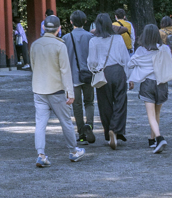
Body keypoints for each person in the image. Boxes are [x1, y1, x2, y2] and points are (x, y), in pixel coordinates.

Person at [29, 15, 88, 167]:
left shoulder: (35, 45)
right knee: (66, 121)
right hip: (57, 90)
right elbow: (65, 71)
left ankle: (41, 154)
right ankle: (73, 151)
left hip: (39, 90)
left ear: (43, 28)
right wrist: (70, 92)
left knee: (40, 123)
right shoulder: (59, 45)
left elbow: (33, 67)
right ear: (59, 29)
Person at [127, 26, 172, 153]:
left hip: (147, 83)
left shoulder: (141, 51)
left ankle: (159, 138)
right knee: (157, 113)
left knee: (150, 115)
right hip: (162, 82)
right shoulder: (164, 48)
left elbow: (130, 64)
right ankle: (152, 139)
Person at [87, 12, 131, 149]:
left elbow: (92, 61)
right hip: (117, 71)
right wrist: (129, 77)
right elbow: (125, 58)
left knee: (104, 104)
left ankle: (109, 132)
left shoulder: (94, 40)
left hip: (103, 73)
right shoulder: (117, 39)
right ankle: (115, 129)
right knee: (120, 101)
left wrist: (94, 69)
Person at [65, 10, 96, 144]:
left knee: (76, 105)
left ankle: (81, 134)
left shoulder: (66, 38)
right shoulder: (90, 37)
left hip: (73, 76)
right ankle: (89, 125)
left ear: (71, 22)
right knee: (89, 102)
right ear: (85, 21)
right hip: (88, 75)